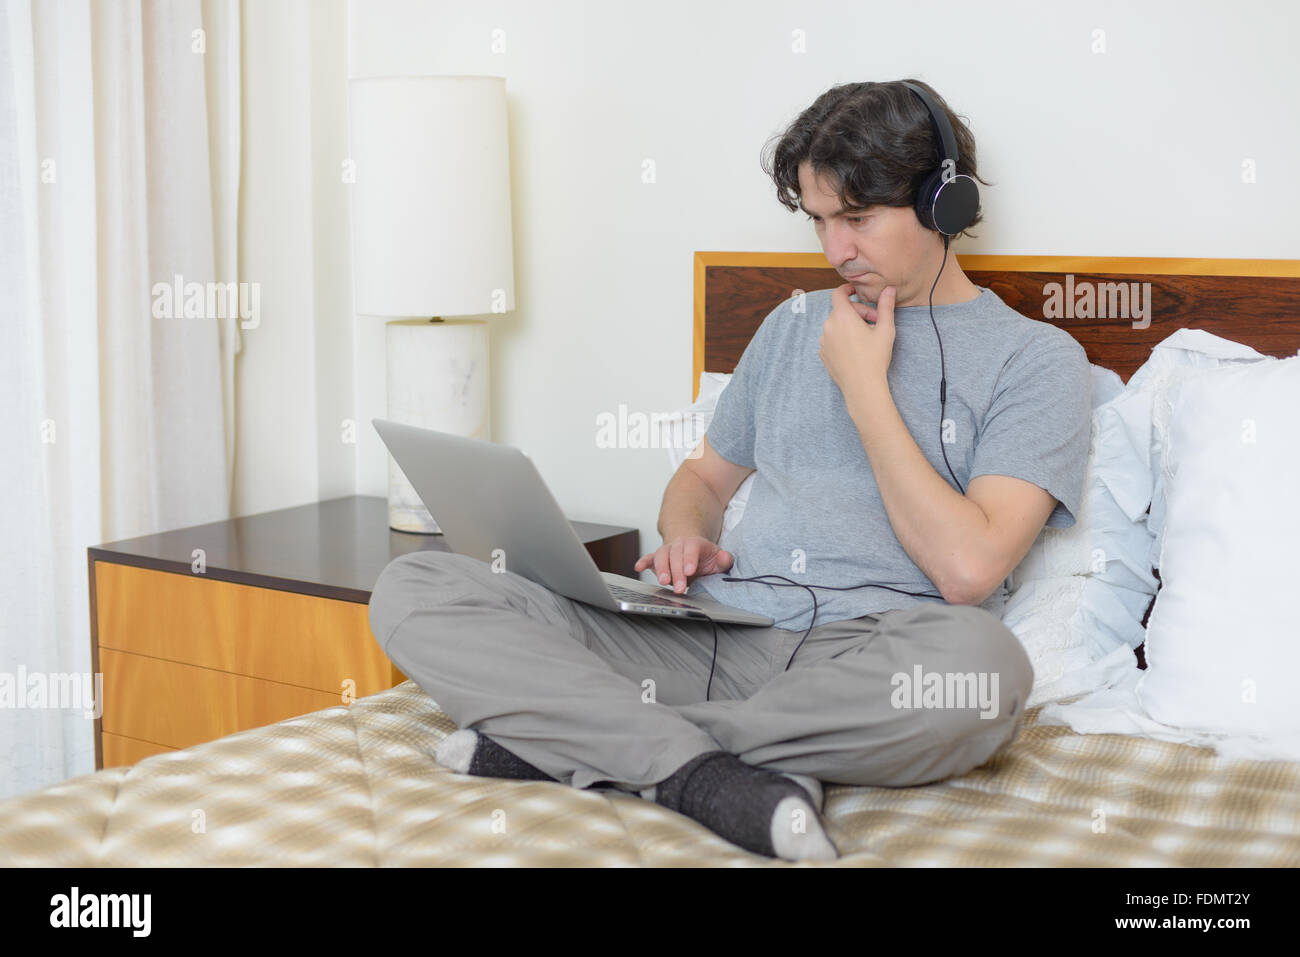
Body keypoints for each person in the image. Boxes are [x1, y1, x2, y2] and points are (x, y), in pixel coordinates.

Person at [367, 78, 1091, 863]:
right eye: (819, 221)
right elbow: (704, 481)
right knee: (418, 587)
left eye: (857, 218)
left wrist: (864, 386)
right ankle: (706, 766)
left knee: (984, 676)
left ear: (941, 202)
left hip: (869, 658)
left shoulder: (1038, 360)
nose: (835, 250)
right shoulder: (790, 324)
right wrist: (688, 537)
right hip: (716, 633)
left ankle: (587, 747)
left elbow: (968, 570)